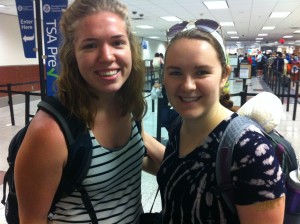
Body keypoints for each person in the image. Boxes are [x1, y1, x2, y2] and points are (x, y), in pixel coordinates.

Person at [14, 0, 164, 223]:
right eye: (90, 45)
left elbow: (137, 153)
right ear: (72, 55)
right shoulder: (51, 132)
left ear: (130, 49)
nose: (106, 56)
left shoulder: (127, 107)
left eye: (117, 42)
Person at [157, 22, 285, 223]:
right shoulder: (179, 126)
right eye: (175, 72)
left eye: (201, 72)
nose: (187, 85)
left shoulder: (250, 149)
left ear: (224, 75)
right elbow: (184, 168)